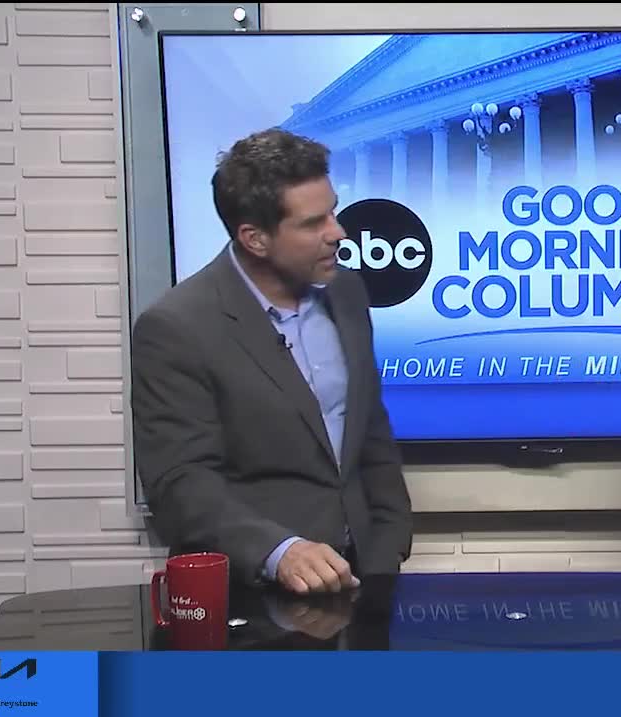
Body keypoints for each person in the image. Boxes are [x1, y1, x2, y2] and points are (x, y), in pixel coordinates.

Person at [130, 128, 413, 594]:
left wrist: (387, 548)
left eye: (334, 211)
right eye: (313, 223)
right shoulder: (177, 328)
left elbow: (370, 429)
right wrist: (281, 553)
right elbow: (180, 482)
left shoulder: (346, 291)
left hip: (365, 579)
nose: (337, 233)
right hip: (253, 593)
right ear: (255, 239)